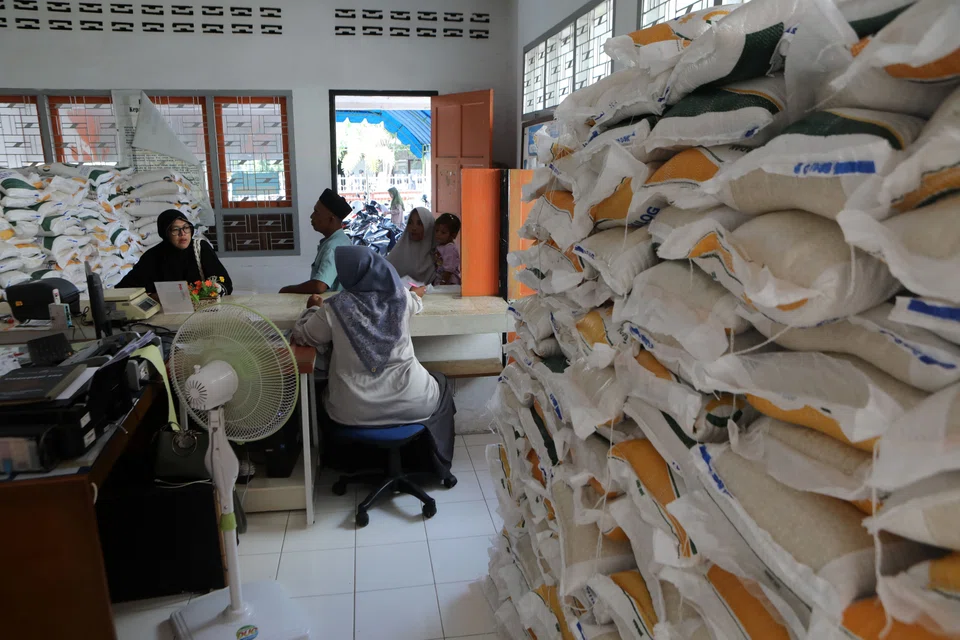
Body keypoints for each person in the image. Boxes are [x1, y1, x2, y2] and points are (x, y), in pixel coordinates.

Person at [291, 246, 455, 470]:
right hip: (411, 401)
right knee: (442, 383)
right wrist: (415, 294)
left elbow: (303, 336)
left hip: (353, 409)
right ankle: (433, 462)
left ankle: (350, 463)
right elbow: (416, 303)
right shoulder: (401, 298)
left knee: (321, 390)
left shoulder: (333, 308)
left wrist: (312, 309)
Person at [117, 209, 232, 295]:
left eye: (186, 228)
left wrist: (214, 290)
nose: (182, 233)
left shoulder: (201, 248)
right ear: (165, 233)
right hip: (165, 317)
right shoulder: (153, 257)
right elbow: (125, 288)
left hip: (202, 313)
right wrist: (152, 297)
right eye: (175, 229)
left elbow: (225, 284)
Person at [279, 189, 352, 294]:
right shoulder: (342, 240)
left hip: (329, 307)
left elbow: (319, 286)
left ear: (331, 219)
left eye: (316, 212)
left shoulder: (333, 246)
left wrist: (288, 290)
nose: (312, 216)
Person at [386, 207, 436, 285]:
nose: (414, 228)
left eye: (419, 223)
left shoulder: (440, 253)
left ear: (428, 226)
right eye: (410, 222)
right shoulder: (398, 252)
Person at [432, 213, 461, 286]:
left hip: (449, 283)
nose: (438, 234)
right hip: (440, 280)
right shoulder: (440, 245)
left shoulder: (450, 248)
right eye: (436, 230)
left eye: (443, 232)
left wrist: (443, 282)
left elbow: (449, 270)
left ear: (453, 235)